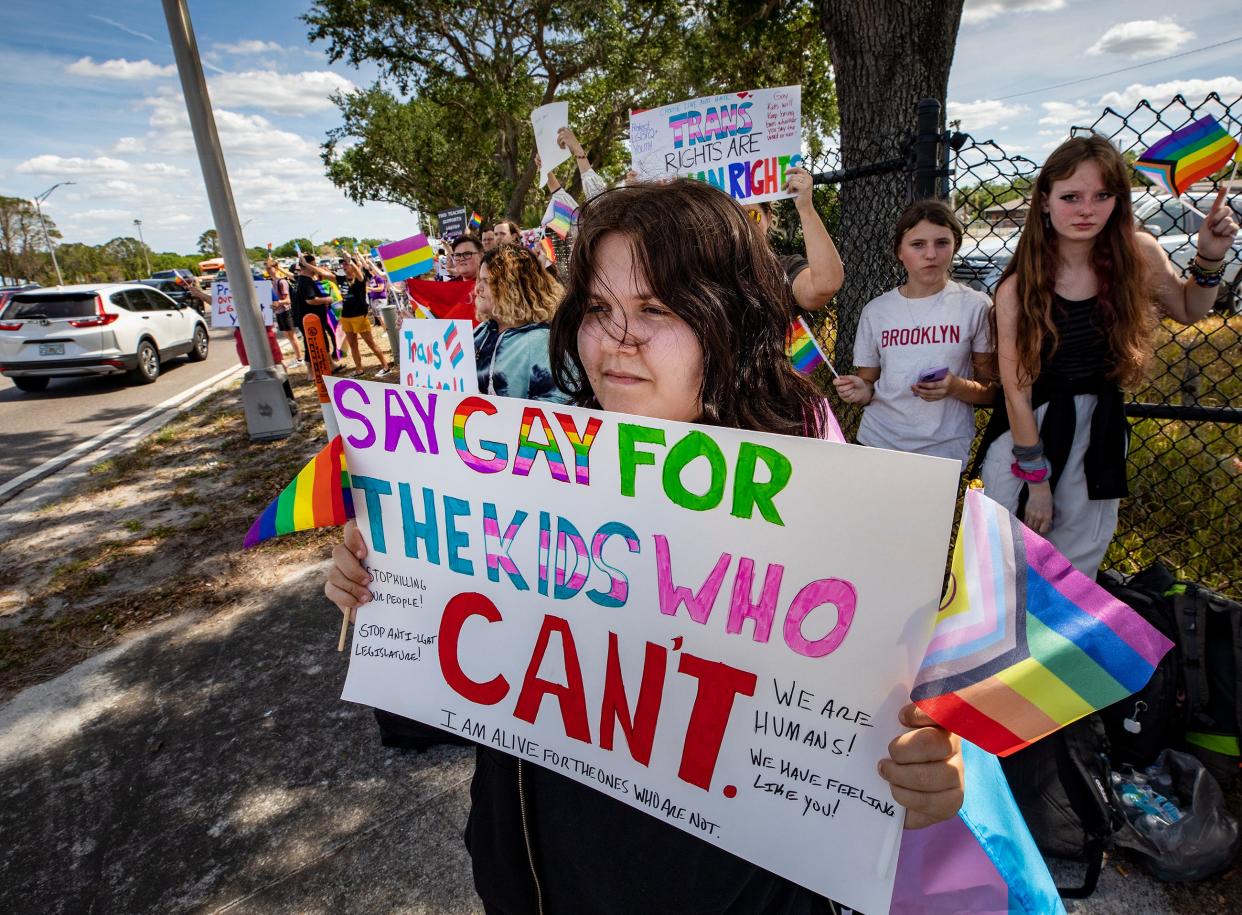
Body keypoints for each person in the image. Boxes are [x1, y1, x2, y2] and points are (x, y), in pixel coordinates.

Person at [325, 180, 964, 914]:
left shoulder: (832, 510)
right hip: (542, 871)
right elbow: (455, 674)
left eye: (656, 309)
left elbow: (883, 730)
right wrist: (386, 584)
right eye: (598, 308)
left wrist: (923, 777)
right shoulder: (516, 470)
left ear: (732, 316)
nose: (616, 339)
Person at [976, 134, 1238, 577]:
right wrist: (1036, 482)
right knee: (1006, 567)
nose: (1086, 209)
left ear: (1118, 200)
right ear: (1044, 201)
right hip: (1030, 435)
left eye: (1102, 196)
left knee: (1074, 572)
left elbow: (1191, 310)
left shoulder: (1139, 254)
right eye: (1071, 196)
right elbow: (1016, 393)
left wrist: (1209, 258)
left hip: (1099, 431)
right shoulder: (1019, 285)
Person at [833, 200, 995, 471]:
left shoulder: (975, 305)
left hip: (943, 451)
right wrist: (859, 390)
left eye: (942, 243)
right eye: (918, 244)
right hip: (878, 442)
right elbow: (868, 384)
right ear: (899, 251)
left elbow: (991, 393)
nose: (930, 254)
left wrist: (955, 386)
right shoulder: (877, 311)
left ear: (955, 245)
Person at [472, 243, 569, 401]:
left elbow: (560, 405)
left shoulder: (543, 342)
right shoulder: (482, 330)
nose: (477, 289)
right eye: (479, 280)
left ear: (511, 287)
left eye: (486, 281)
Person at [743, 165, 844, 311]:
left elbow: (825, 285)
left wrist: (805, 208)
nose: (742, 225)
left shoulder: (782, 269)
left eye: (751, 215)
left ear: (769, 218)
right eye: (731, 217)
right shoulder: (705, 272)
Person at [340, 253, 391, 377]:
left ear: (354, 266)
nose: (344, 266)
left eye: (346, 263)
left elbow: (359, 273)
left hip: (359, 317)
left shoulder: (359, 279)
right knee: (353, 345)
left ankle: (385, 366)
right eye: (343, 264)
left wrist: (351, 260)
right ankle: (359, 370)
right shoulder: (342, 279)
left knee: (370, 343)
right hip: (346, 317)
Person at [266, 260, 303, 366]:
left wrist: (277, 303)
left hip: (286, 311)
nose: (267, 271)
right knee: (288, 336)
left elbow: (287, 300)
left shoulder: (282, 282)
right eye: (266, 268)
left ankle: (300, 359)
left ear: (275, 268)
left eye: (269, 268)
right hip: (279, 312)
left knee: (292, 336)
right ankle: (298, 358)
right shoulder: (272, 282)